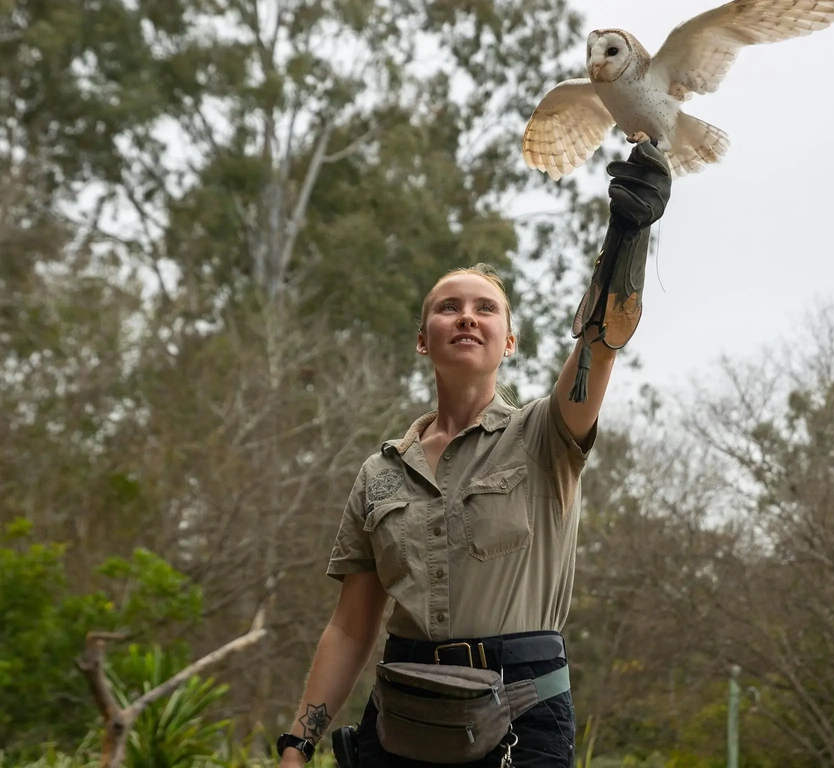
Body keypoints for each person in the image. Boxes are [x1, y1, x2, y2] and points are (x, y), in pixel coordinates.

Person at [276, 139, 672, 768]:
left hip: (520, 724)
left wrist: (627, 236)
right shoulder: (378, 476)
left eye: (485, 309)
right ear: (422, 339)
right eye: (448, 308)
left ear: (508, 340)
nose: (467, 317)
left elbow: (600, 345)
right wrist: (299, 742)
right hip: (400, 727)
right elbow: (351, 626)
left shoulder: (546, 437)